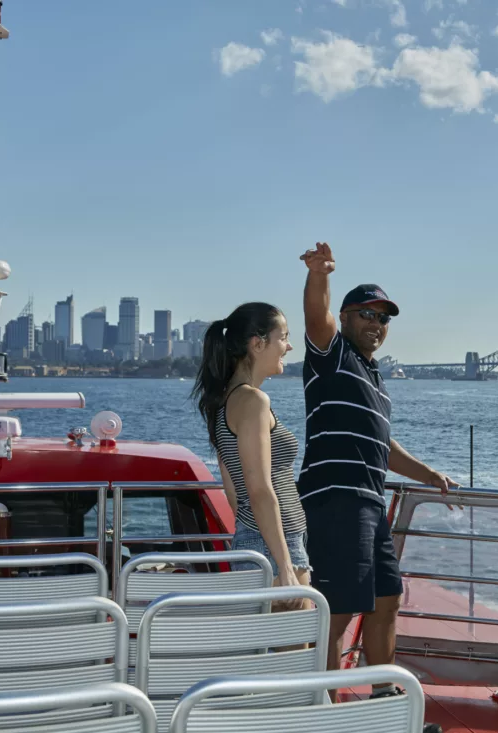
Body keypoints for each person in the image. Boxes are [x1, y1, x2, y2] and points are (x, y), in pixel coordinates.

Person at [298, 242, 458, 714]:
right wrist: (321, 274)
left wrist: (428, 473)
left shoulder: (374, 378)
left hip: (370, 502)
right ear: (346, 318)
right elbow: (315, 317)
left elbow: (382, 446)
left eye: (384, 317)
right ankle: (322, 709)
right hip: (335, 500)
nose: (376, 323)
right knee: (337, 610)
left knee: (387, 598)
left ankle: (382, 698)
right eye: (366, 313)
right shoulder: (332, 356)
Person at [191, 303, 309, 609]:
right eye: (283, 337)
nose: (289, 346)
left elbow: (234, 492)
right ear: (258, 344)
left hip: (256, 542)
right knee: (297, 654)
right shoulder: (253, 400)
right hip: (274, 549)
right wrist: (285, 566)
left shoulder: (223, 402)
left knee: (272, 651)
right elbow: (258, 490)